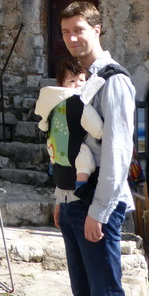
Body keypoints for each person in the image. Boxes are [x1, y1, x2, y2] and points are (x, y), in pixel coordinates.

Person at [45, 0, 136, 296]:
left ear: (98, 29)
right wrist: (63, 197)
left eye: (80, 29)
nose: (73, 38)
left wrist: (99, 210)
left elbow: (118, 154)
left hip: (100, 206)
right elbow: (68, 143)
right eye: (66, 32)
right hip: (75, 202)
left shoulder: (114, 82)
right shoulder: (85, 82)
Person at [33, 57, 104, 213]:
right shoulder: (78, 102)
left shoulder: (53, 103)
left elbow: (45, 123)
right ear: (61, 85)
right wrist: (102, 133)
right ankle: (81, 186)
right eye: (72, 81)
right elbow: (95, 127)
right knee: (84, 157)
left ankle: (53, 166)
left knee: (55, 152)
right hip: (73, 150)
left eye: (82, 80)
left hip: (56, 146)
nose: (78, 84)